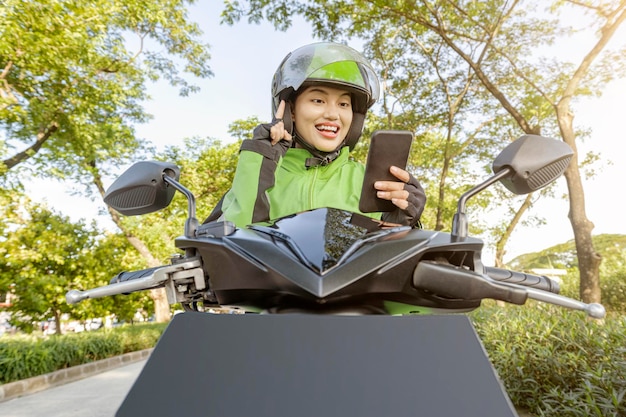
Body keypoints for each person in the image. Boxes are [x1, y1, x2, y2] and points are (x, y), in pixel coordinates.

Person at [213, 42, 426, 228]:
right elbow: (226, 246)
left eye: (343, 104)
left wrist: (404, 221)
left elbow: (393, 260)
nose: (333, 114)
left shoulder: (370, 183)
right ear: (291, 111)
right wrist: (260, 160)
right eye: (318, 100)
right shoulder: (260, 171)